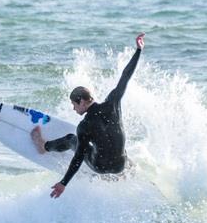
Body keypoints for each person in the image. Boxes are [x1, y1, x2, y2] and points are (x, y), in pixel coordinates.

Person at [31, 33, 145, 199]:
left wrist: (63, 183)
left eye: (74, 104)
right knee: (119, 149)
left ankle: (43, 146)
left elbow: (78, 157)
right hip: (120, 165)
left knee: (71, 139)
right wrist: (139, 50)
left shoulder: (84, 126)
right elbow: (126, 75)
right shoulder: (113, 102)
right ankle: (126, 172)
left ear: (83, 101)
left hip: (100, 167)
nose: (73, 109)